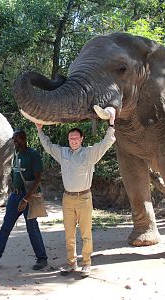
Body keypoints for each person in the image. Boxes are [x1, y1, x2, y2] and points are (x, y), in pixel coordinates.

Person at [35, 107, 116, 278]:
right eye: (71, 138)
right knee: (69, 234)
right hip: (67, 199)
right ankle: (71, 263)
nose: (73, 140)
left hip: (84, 198)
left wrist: (111, 124)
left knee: (86, 234)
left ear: (81, 139)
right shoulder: (63, 152)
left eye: (76, 138)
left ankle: (86, 263)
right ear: (68, 139)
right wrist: (39, 129)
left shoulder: (89, 153)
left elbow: (106, 143)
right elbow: (48, 146)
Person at [0, 129, 48, 270]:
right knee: (5, 227)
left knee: (32, 228)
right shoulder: (16, 155)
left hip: (27, 197)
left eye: (16, 139)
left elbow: (38, 178)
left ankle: (42, 259)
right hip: (15, 196)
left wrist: (26, 199)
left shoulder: (33, 155)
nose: (14, 141)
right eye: (13, 139)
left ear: (24, 138)